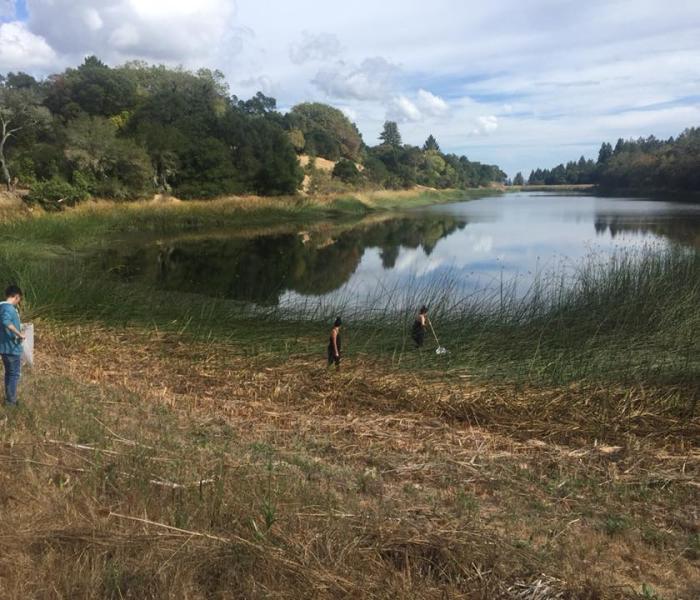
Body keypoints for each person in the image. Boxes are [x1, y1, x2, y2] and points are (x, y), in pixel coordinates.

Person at [0, 285, 25, 406]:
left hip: (4, 347)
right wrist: (19, 334)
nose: (19, 301)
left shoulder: (1, 306)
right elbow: (5, 321)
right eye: (19, 299)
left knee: (9, 373)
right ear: (16, 296)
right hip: (11, 347)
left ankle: (9, 398)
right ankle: (11, 402)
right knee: (14, 374)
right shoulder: (9, 308)